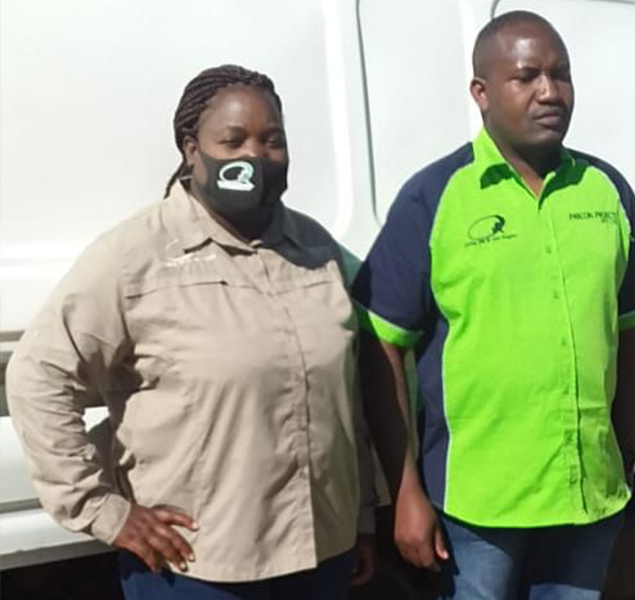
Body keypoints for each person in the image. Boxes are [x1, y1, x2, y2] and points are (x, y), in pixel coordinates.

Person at [6, 64, 375, 599]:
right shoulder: (137, 256)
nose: (254, 156)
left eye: (272, 140)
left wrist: (361, 517)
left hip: (322, 556)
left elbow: (345, 396)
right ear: (191, 150)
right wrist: (103, 511)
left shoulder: (315, 248)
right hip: (198, 568)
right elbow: (37, 376)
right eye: (233, 140)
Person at [354, 11, 635, 600]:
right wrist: (405, 489)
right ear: (482, 93)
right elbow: (381, 342)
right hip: (477, 509)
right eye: (526, 77)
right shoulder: (435, 197)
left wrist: (622, 450)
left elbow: (632, 328)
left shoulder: (607, 191)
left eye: (561, 74)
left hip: (586, 497)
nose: (550, 92)